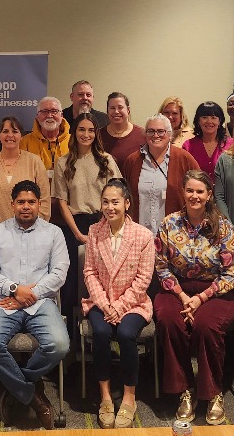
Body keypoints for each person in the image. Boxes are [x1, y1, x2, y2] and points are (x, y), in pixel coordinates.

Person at [0, 181, 70, 430]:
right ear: (12, 205)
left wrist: (30, 295)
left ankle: (14, 388)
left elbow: (59, 273)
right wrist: (14, 290)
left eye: (31, 202)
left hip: (41, 303)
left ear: (39, 204)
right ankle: (32, 395)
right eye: (21, 202)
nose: (26, 206)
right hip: (5, 301)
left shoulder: (54, 233)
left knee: (59, 345)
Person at [154, 170, 234, 425]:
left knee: (205, 326)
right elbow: (161, 266)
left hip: (216, 291)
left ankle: (212, 393)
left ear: (209, 195)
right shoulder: (169, 223)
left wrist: (201, 298)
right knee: (170, 321)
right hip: (175, 289)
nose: (194, 196)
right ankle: (185, 391)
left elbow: (231, 272)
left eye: (200, 191)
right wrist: (182, 296)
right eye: (190, 190)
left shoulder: (223, 226)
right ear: (183, 192)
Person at [82, 179, 154, 429]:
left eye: (115, 202)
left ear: (127, 203)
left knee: (125, 334)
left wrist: (120, 307)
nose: (110, 207)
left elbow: (144, 279)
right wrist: (105, 305)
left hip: (133, 303)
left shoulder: (144, 236)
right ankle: (104, 396)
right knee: (100, 332)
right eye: (105, 202)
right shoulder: (94, 232)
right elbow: (89, 272)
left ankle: (129, 397)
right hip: (101, 302)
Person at [52, 112, 121, 316]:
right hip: (74, 226)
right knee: (72, 280)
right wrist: (77, 234)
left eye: (91, 130)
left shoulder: (106, 161)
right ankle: (71, 335)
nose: (86, 134)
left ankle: (107, 319)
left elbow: (117, 193)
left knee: (103, 277)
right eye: (81, 129)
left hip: (103, 223)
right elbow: (62, 202)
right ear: (74, 132)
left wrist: (104, 226)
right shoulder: (63, 163)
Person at [123, 113, 199, 238]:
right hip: (139, 236)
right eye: (151, 131)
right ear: (145, 135)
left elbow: (200, 192)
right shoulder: (132, 161)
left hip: (176, 236)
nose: (155, 135)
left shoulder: (184, 159)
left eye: (161, 131)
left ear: (170, 135)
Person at [0, 117, 50, 237]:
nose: (10, 135)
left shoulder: (34, 161)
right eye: (5, 131)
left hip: (30, 236)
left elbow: (44, 200)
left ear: (21, 136)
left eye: (15, 131)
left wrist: (32, 231)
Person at [182, 101, 231, 185]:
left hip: (225, 195)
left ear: (220, 121)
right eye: (204, 117)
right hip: (197, 195)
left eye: (213, 117)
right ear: (198, 121)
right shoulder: (188, 146)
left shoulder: (231, 144)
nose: (209, 121)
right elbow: (184, 175)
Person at [20, 97, 71, 175]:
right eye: (44, 111)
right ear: (37, 116)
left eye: (54, 111)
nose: (49, 115)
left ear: (61, 115)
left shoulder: (73, 141)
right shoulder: (25, 142)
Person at [98, 92, 147, 174]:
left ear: (128, 110)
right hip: (105, 185)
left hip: (133, 186)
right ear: (107, 111)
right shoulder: (98, 135)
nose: (116, 111)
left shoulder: (143, 135)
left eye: (120, 107)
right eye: (112, 108)